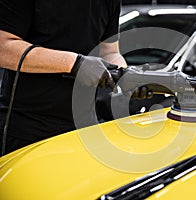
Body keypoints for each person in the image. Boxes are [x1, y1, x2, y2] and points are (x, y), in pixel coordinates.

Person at [0, 0, 128, 155]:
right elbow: (4, 48)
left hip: (83, 128)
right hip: (26, 127)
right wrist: (75, 63)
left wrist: (127, 77)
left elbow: (110, 53)